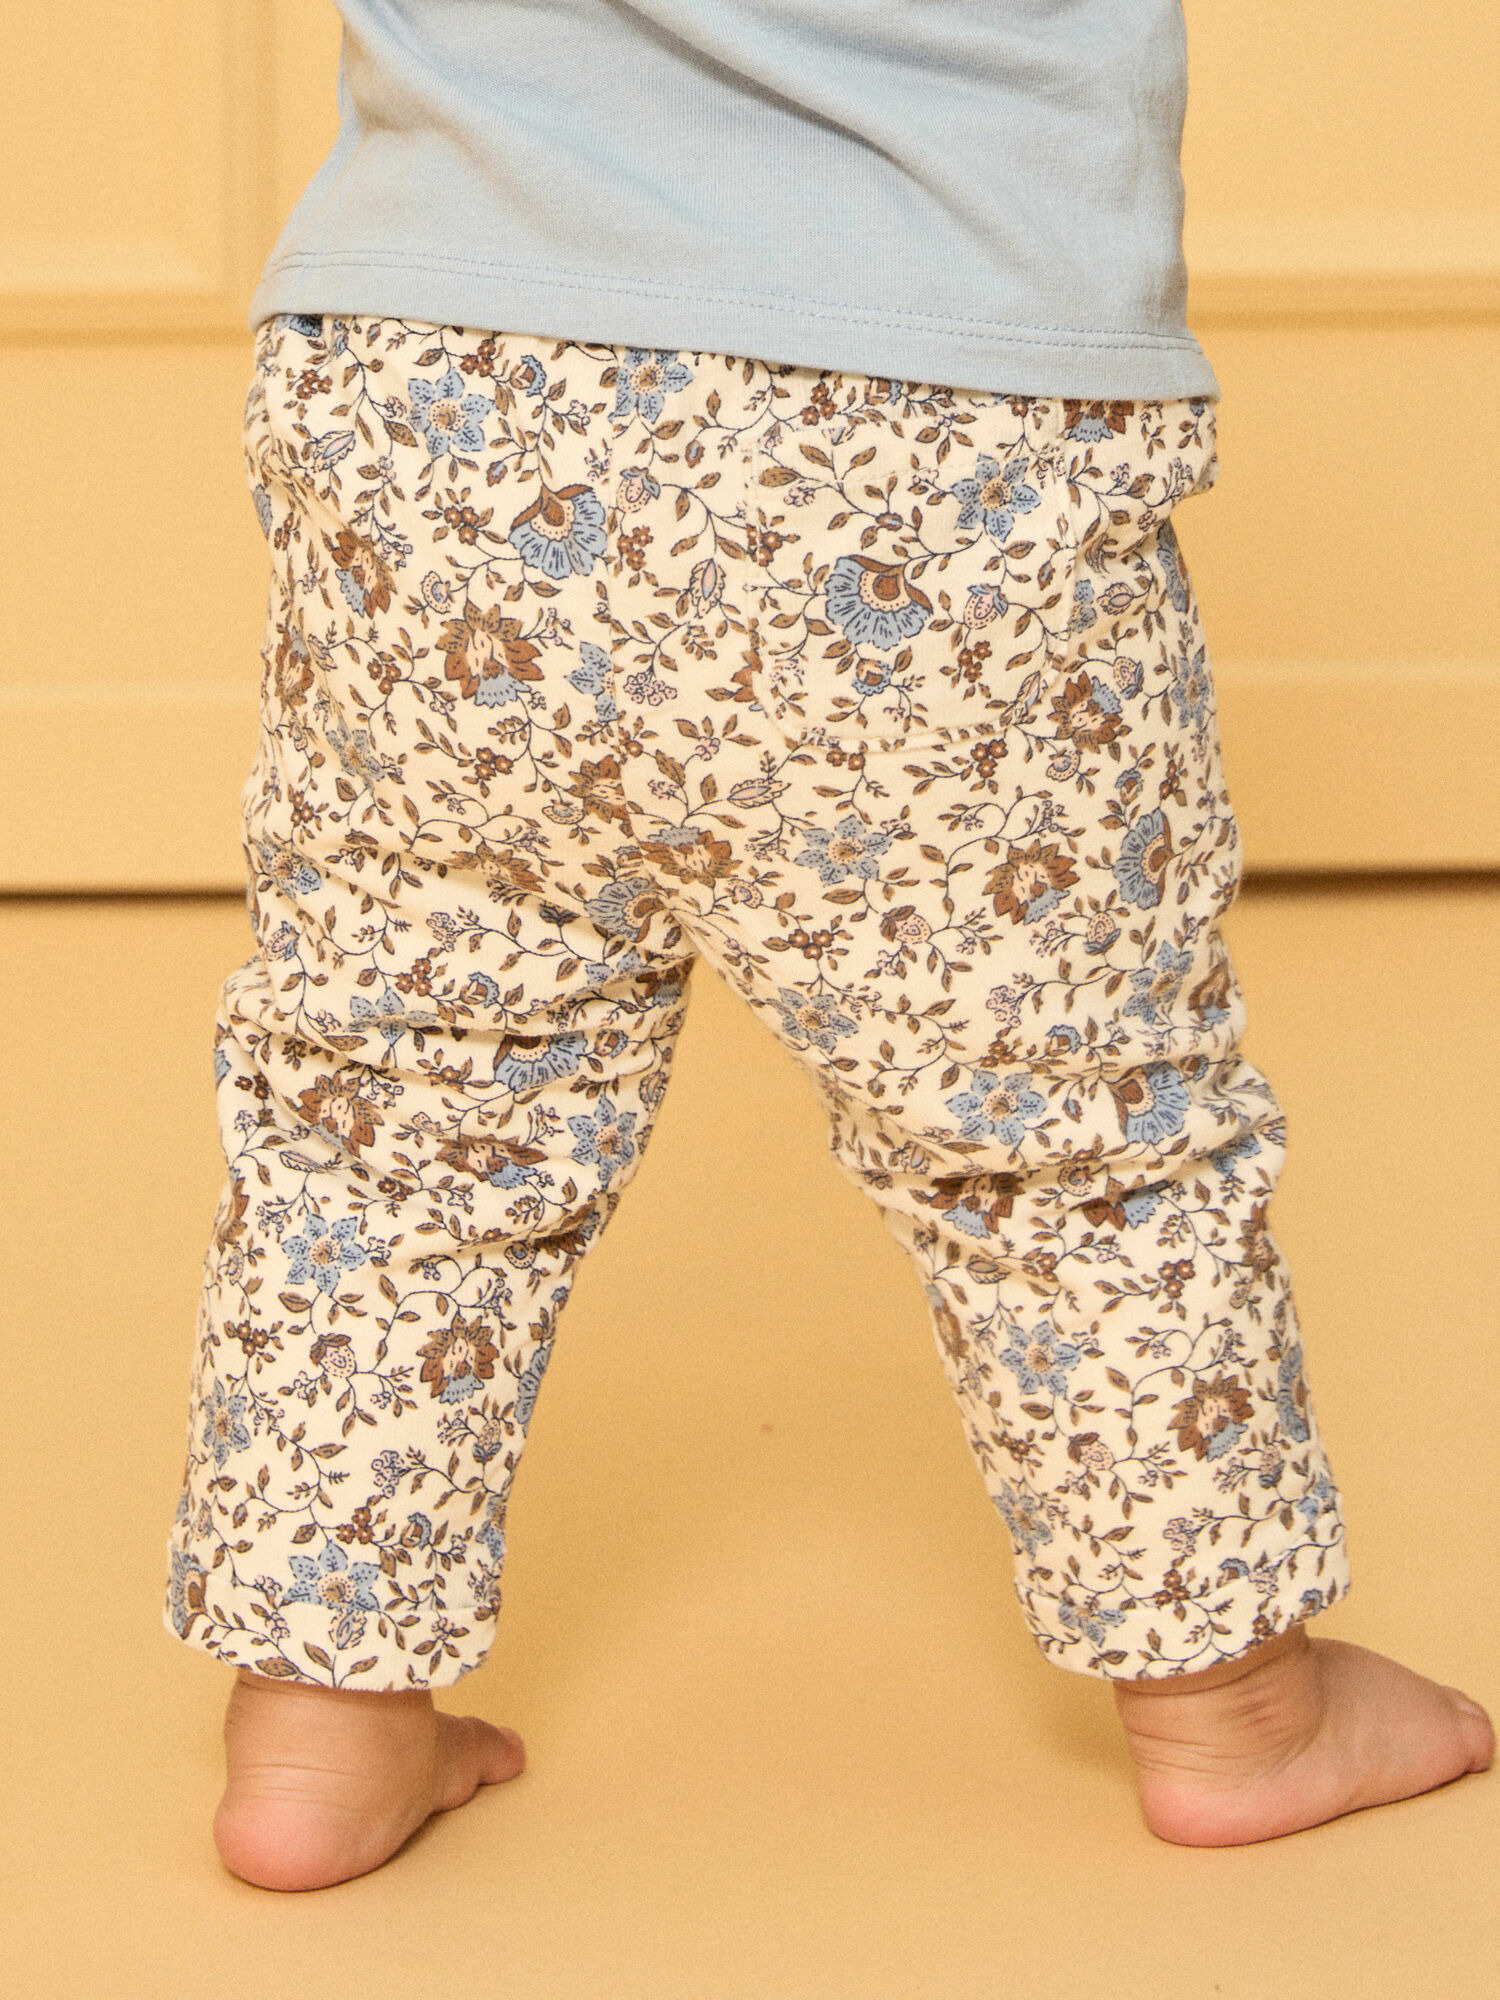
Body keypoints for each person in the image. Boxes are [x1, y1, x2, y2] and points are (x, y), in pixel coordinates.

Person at [164, 2, 1492, 1891]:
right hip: (939, 400)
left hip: (438, 385)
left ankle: (318, 1727)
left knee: (397, 1114)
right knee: (1062, 1125)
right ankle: (1235, 1709)